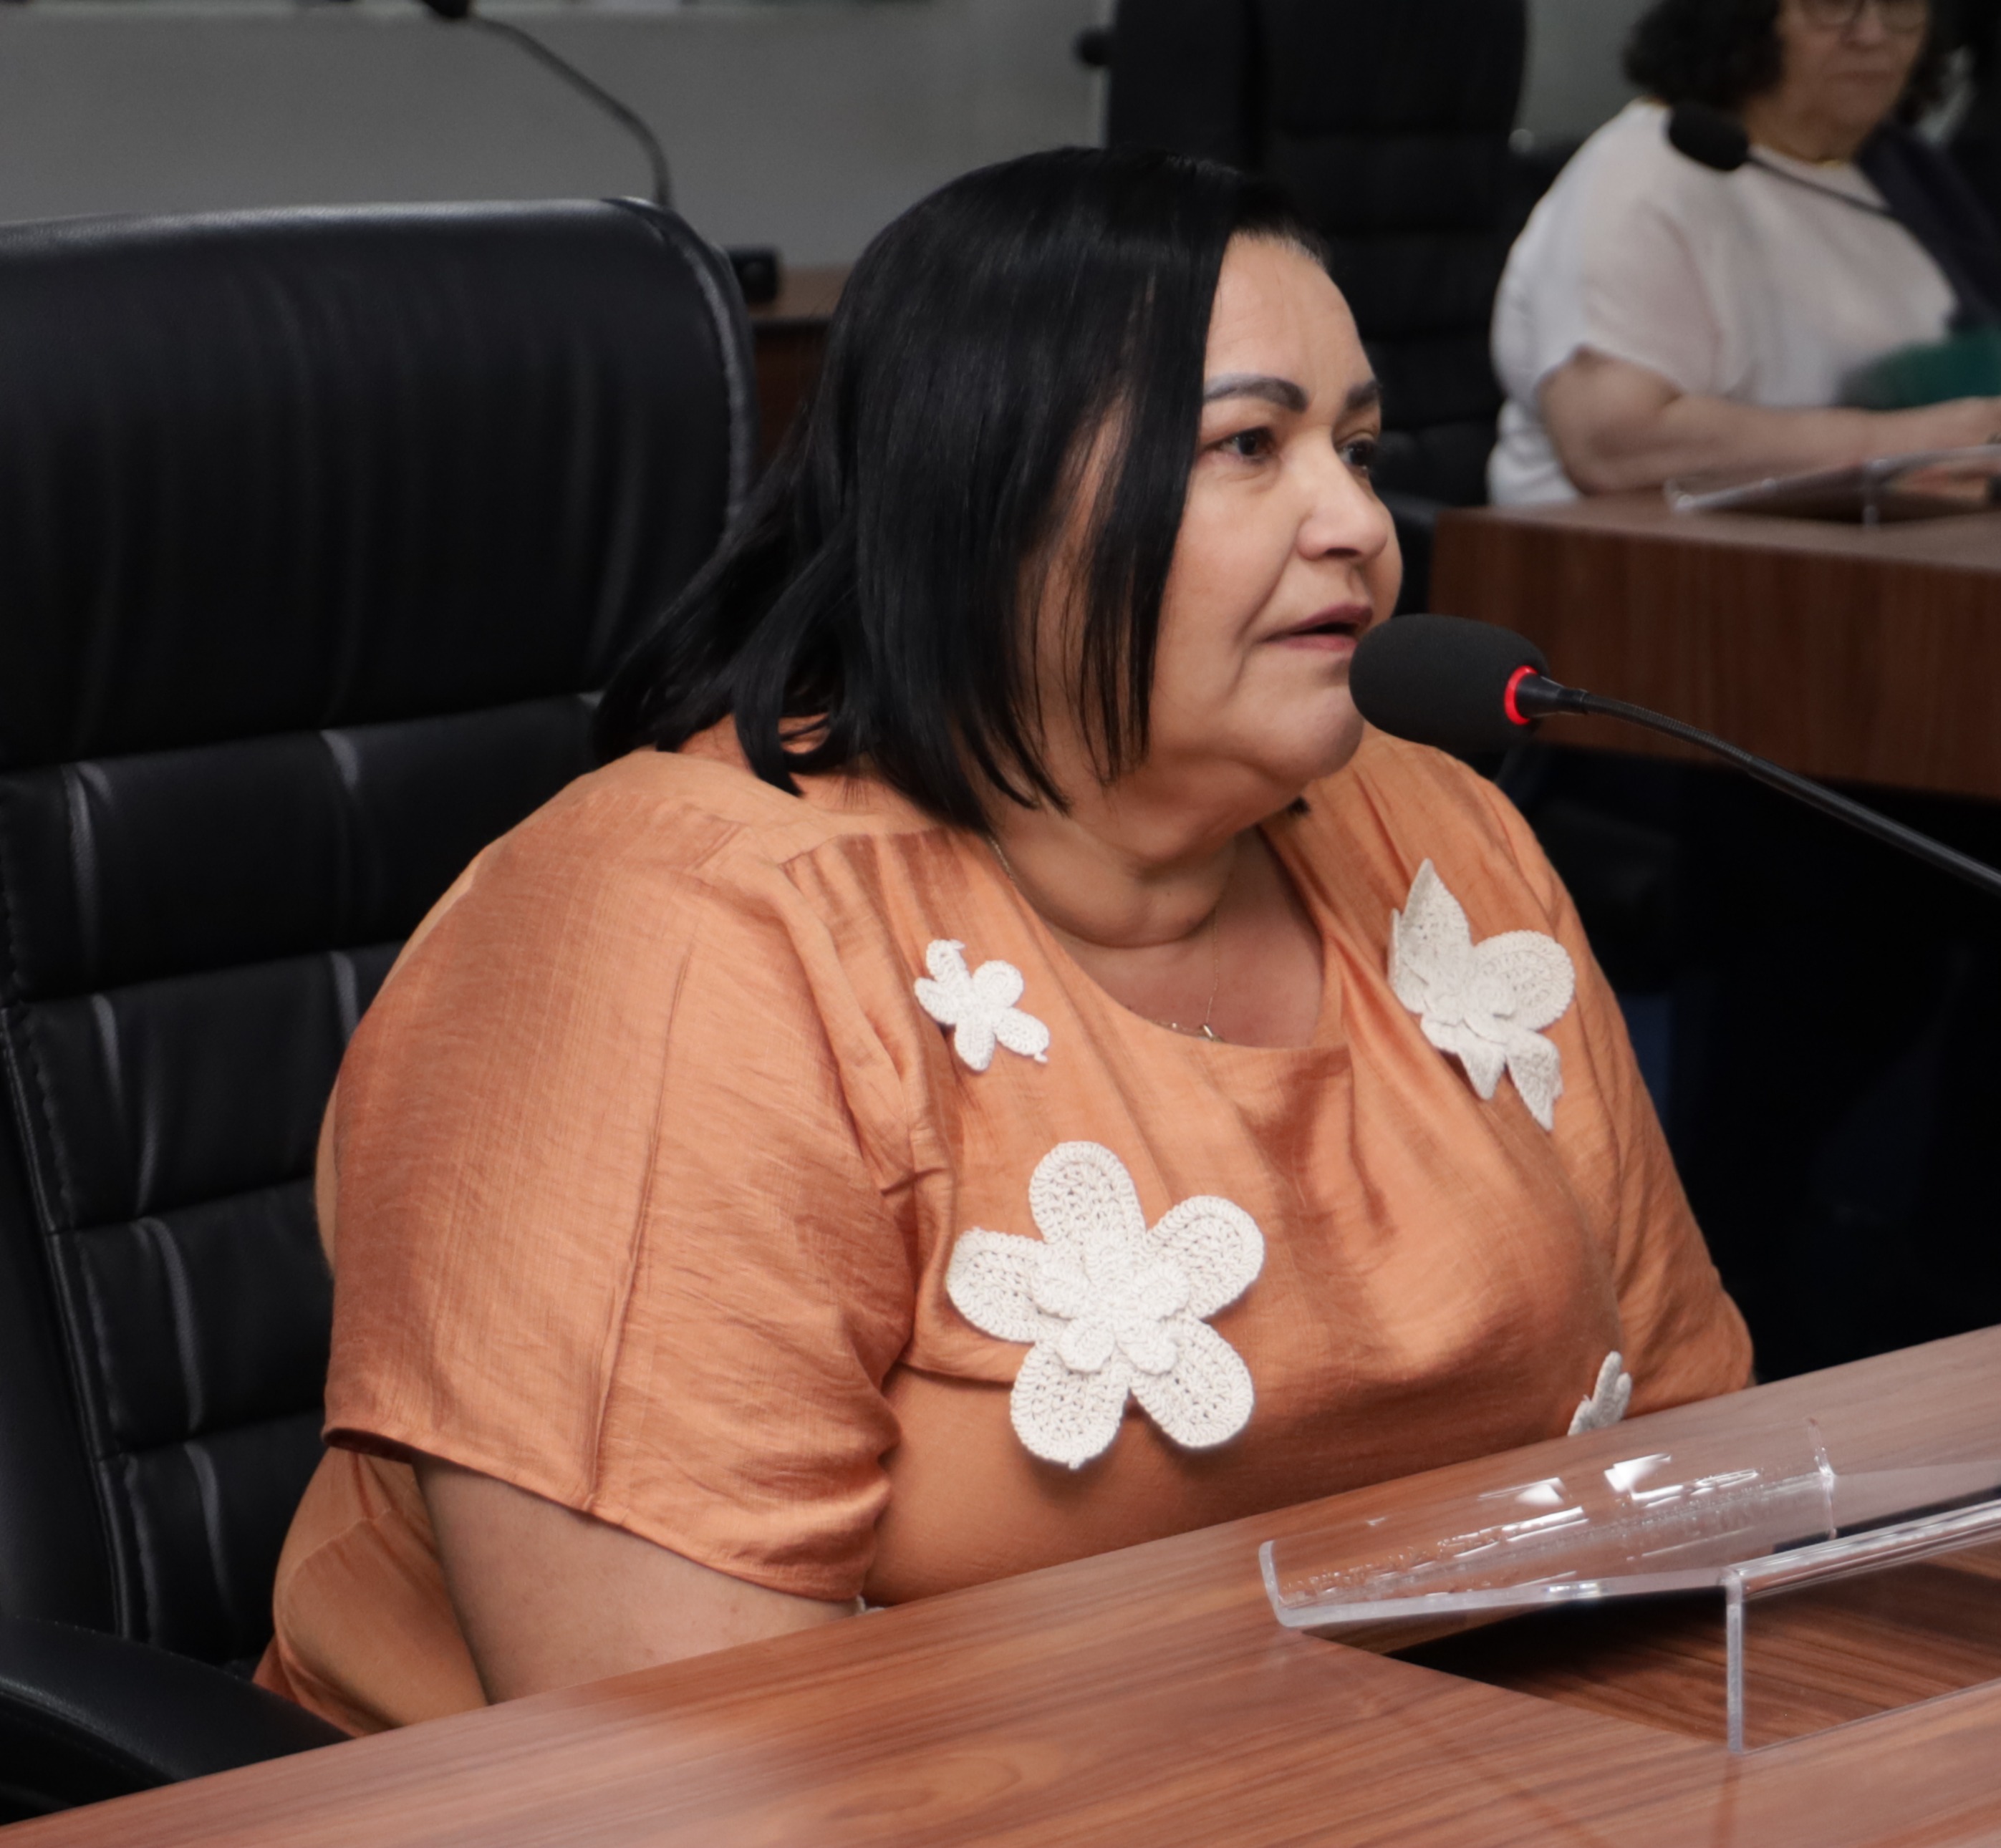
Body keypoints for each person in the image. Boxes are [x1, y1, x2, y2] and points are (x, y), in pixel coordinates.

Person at [254, 147, 1753, 1735]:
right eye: (1248, 445)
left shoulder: (1435, 832)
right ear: (986, 500)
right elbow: (673, 1768)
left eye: (1361, 449)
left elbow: (1686, 1454)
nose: (1359, 527)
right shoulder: (680, 937)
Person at [1490, 0, 2001, 503]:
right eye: (1833, 5)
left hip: (1906, 543)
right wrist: (1915, 438)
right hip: (1645, 576)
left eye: (1901, 6)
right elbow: (1612, 445)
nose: (1873, 34)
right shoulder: (1644, 175)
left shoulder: (1905, 171)